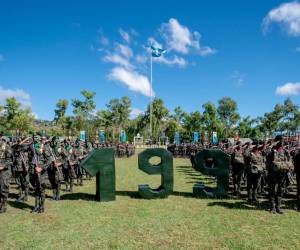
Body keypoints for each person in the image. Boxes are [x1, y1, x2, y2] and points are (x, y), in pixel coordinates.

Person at [266, 136, 294, 214]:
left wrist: (289, 167)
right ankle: (272, 207)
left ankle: (278, 206)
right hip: (273, 174)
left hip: (283, 174)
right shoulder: (272, 150)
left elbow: (289, 160)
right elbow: (265, 154)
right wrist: (271, 145)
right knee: (272, 190)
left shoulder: (285, 151)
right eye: (280, 140)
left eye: (282, 140)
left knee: (281, 190)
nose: (282, 142)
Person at [0, 133, 13, 213]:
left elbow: (11, 160)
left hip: (5, 172)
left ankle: (3, 206)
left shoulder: (7, 147)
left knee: (3, 188)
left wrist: (2, 166)